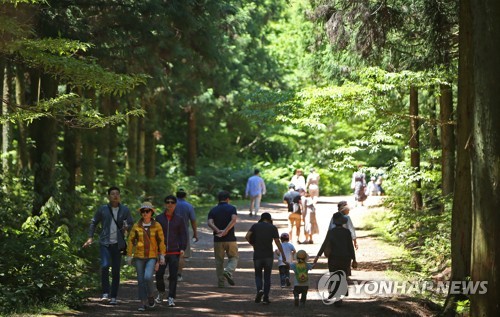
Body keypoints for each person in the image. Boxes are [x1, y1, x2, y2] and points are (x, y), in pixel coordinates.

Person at [82, 186, 134, 305]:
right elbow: (94, 222)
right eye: (112, 194)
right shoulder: (103, 209)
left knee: (116, 271)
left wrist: (127, 227)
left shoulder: (125, 210)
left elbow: (131, 223)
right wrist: (90, 237)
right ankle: (105, 293)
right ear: (108, 196)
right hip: (104, 243)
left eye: (117, 194)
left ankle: (114, 296)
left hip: (118, 244)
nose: (115, 196)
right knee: (105, 266)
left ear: (119, 196)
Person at [126, 202, 166, 311]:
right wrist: (129, 255)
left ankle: (151, 295)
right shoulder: (136, 225)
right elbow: (130, 241)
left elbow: (161, 241)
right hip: (139, 256)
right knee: (140, 280)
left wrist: (162, 255)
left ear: (151, 212)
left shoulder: (157, 225)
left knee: (148, 277)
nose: (145, 213)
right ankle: (142, 303)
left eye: (147, 211)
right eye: (143, 211)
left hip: (152, 256)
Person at [314, 212, 357, 307]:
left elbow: (324, 244)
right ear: (342, 222)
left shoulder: (331, 232)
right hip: (345, 258)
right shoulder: (347, 232)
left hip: (333, 258)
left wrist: (317, 257)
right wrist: (354, 259)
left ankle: (335, 294)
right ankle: (340, 295)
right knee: (343, 276)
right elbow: (350, 247)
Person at [245, 212, 287, 305]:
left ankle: (259, 290)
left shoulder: (255, 226)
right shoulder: (273, 227)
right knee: (267, 277)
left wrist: (253, 244)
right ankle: (266, 298)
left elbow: (247, 236)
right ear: (269, 219)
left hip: (257, 255)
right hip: (268, 256)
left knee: (258, 275)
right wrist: (282, 254)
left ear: (261, 218)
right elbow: (277, 241)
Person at [154, 195, 188, 307]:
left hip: (174, 252)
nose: (170, 204)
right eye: (167, 202)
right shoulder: (158, 218)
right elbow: (154, 236)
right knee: (159, 275)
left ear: (175, 204)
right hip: (161, 253)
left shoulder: (179, 219)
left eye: (172, 202)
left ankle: (171, 297)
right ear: (165, 204)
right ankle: (161, 292)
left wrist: (182, 248)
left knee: (173, 275)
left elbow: (183, 234)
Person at [207, 190, 239, 288]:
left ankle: (221, 283)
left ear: (218, 199)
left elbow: (209, 223)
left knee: (219, 261)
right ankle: (228, 271)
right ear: (228, 199)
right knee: (234, 257)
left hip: (218, 240)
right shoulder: (232, 208)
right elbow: (233, 220)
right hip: (230, 239)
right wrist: (225, 230)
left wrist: (218, 231)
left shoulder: (213, 210)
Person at [174, 188, 198, 282]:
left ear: (176, 195)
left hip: (171, 231)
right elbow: (193, 220)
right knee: (181, 254)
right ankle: (179, 274)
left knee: (171, 253)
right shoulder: (189, 206)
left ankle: (172, 273)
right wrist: (195, 233)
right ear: (185, 196)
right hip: (183, 232)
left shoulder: (171, 205)